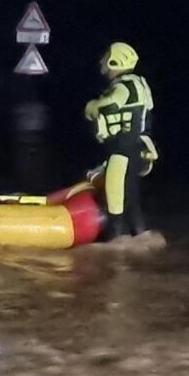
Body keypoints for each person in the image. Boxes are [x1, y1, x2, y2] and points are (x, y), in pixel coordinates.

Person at [83, 41, 158, 240]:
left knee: (114, 201)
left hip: (122, 152)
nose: (102, 62)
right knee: (132, 200)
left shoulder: (124, 87)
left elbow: (106, 107)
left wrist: (91, 106)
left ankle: (116, 246)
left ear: (116, 61)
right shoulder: (140, 84)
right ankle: (142, 238)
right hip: (136, 150)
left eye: (106, 58)